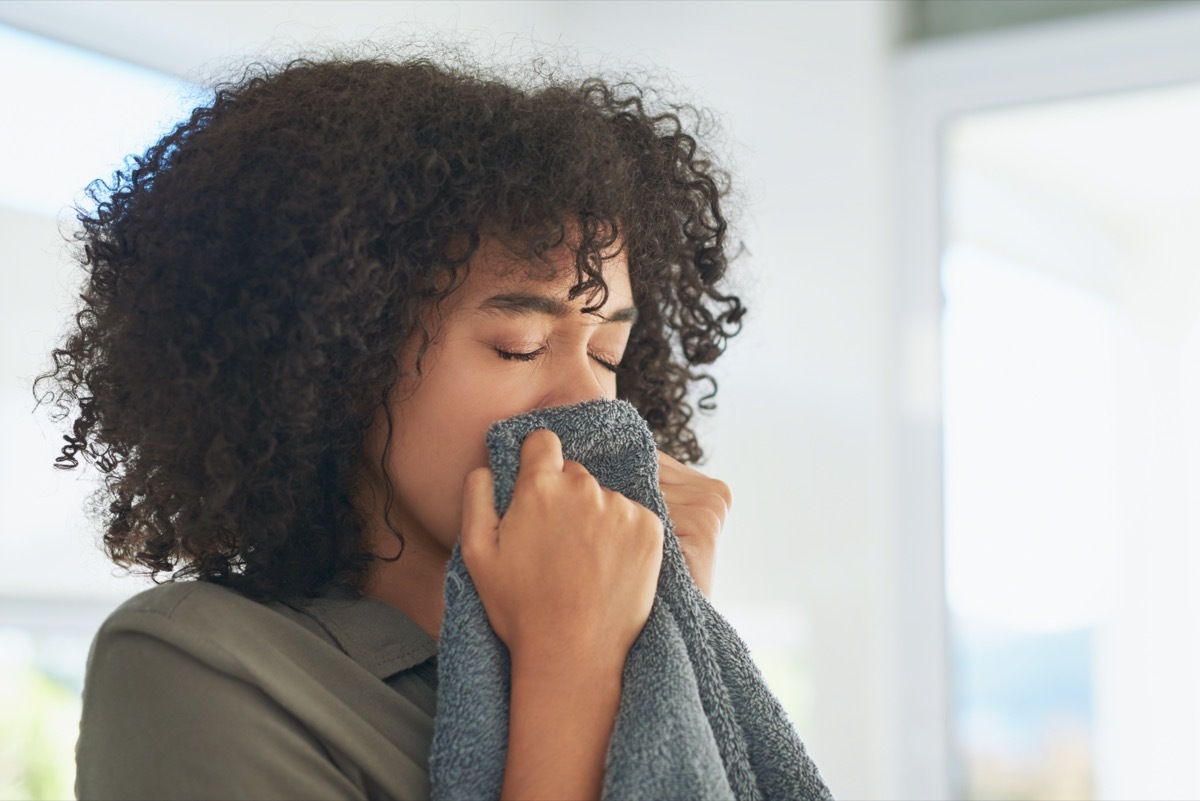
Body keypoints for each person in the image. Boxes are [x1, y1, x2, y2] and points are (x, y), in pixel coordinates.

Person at [38, 48, 745, 800]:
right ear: (345, 355)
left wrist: (667, 632)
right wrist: (575, 657)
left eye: (608, 353)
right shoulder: (196, 661)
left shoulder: (641, 629)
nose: (592, 403)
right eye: (522, 346)